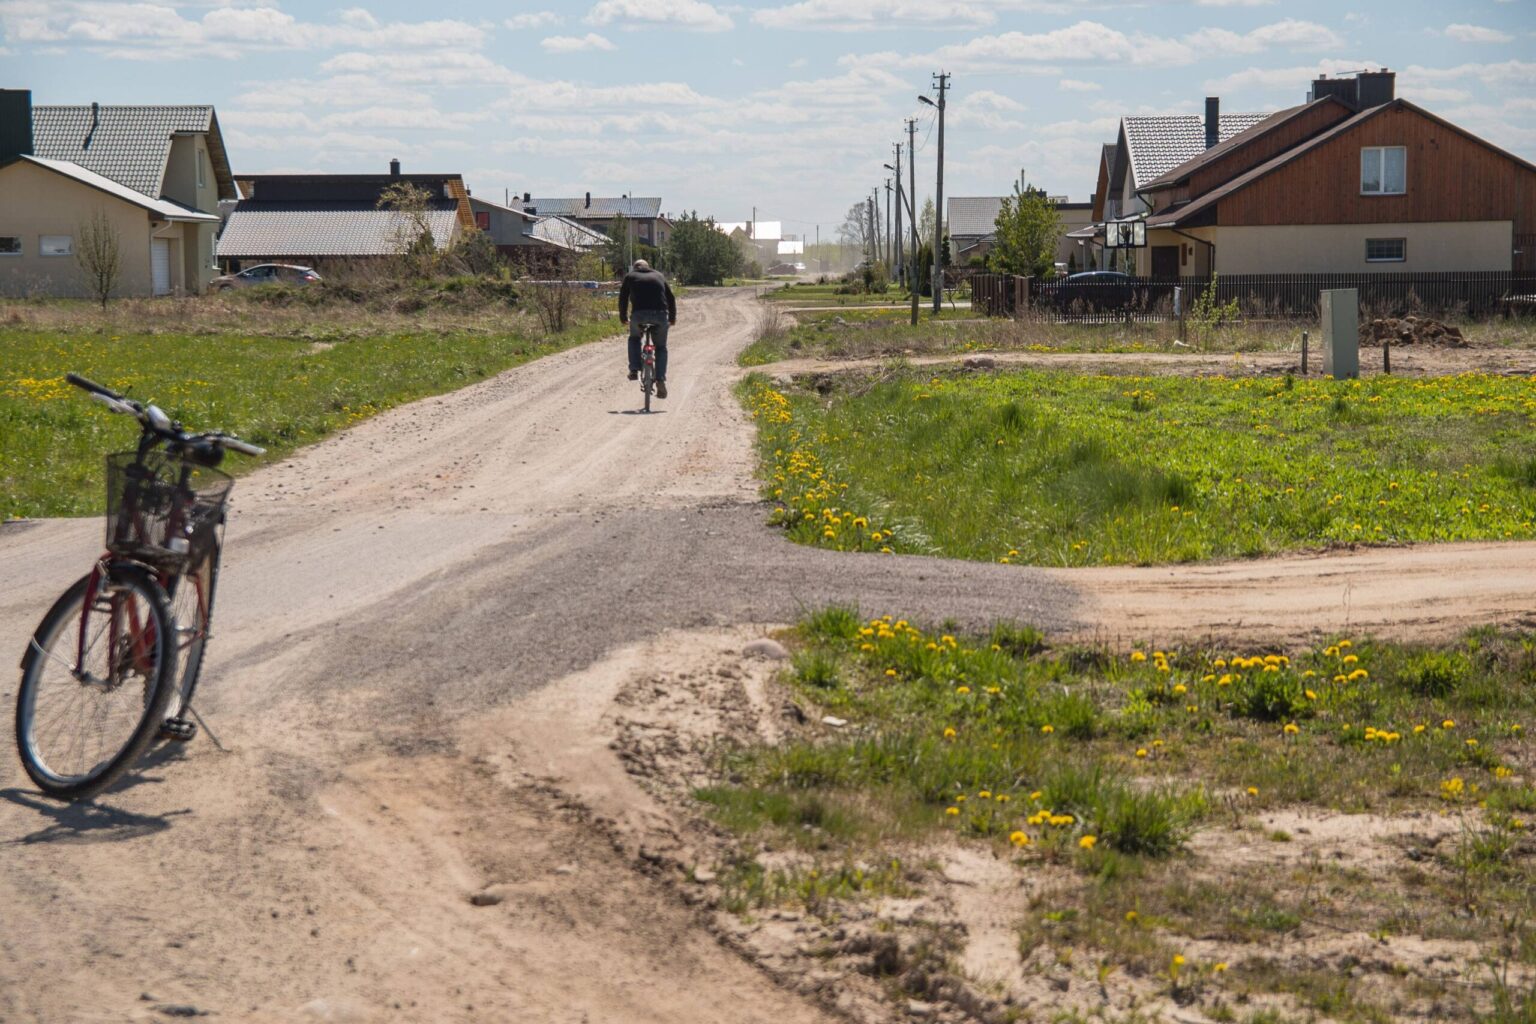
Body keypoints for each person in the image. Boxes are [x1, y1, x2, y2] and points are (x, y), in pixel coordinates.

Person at [618, 258, 677, 399]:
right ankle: (660, 379)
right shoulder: (659, 275)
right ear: (648, 267)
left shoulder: (630, 276)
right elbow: (671, 298)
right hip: (660, 316)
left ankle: (634, 369)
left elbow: (623, 298)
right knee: (661, 347)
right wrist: (672, 318)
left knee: (634, 339)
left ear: (635, 268)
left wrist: (623, 317)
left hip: (639, 316)